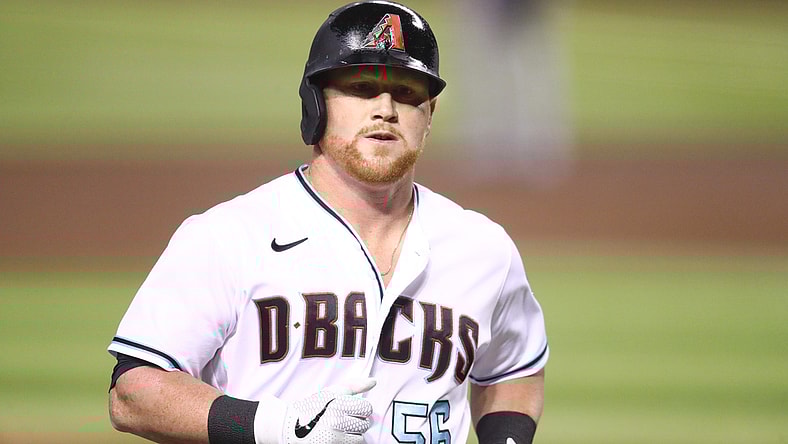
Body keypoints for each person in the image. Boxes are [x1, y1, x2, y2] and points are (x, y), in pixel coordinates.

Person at [107, 2, 548, 444]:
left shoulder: (483, 249)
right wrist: (274, 426)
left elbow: (515, 369)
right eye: (360, 87)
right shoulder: (229, 236)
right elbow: (134, 391)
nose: (386, 109)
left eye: (408, 93)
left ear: (429, 114)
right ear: (316, 104)